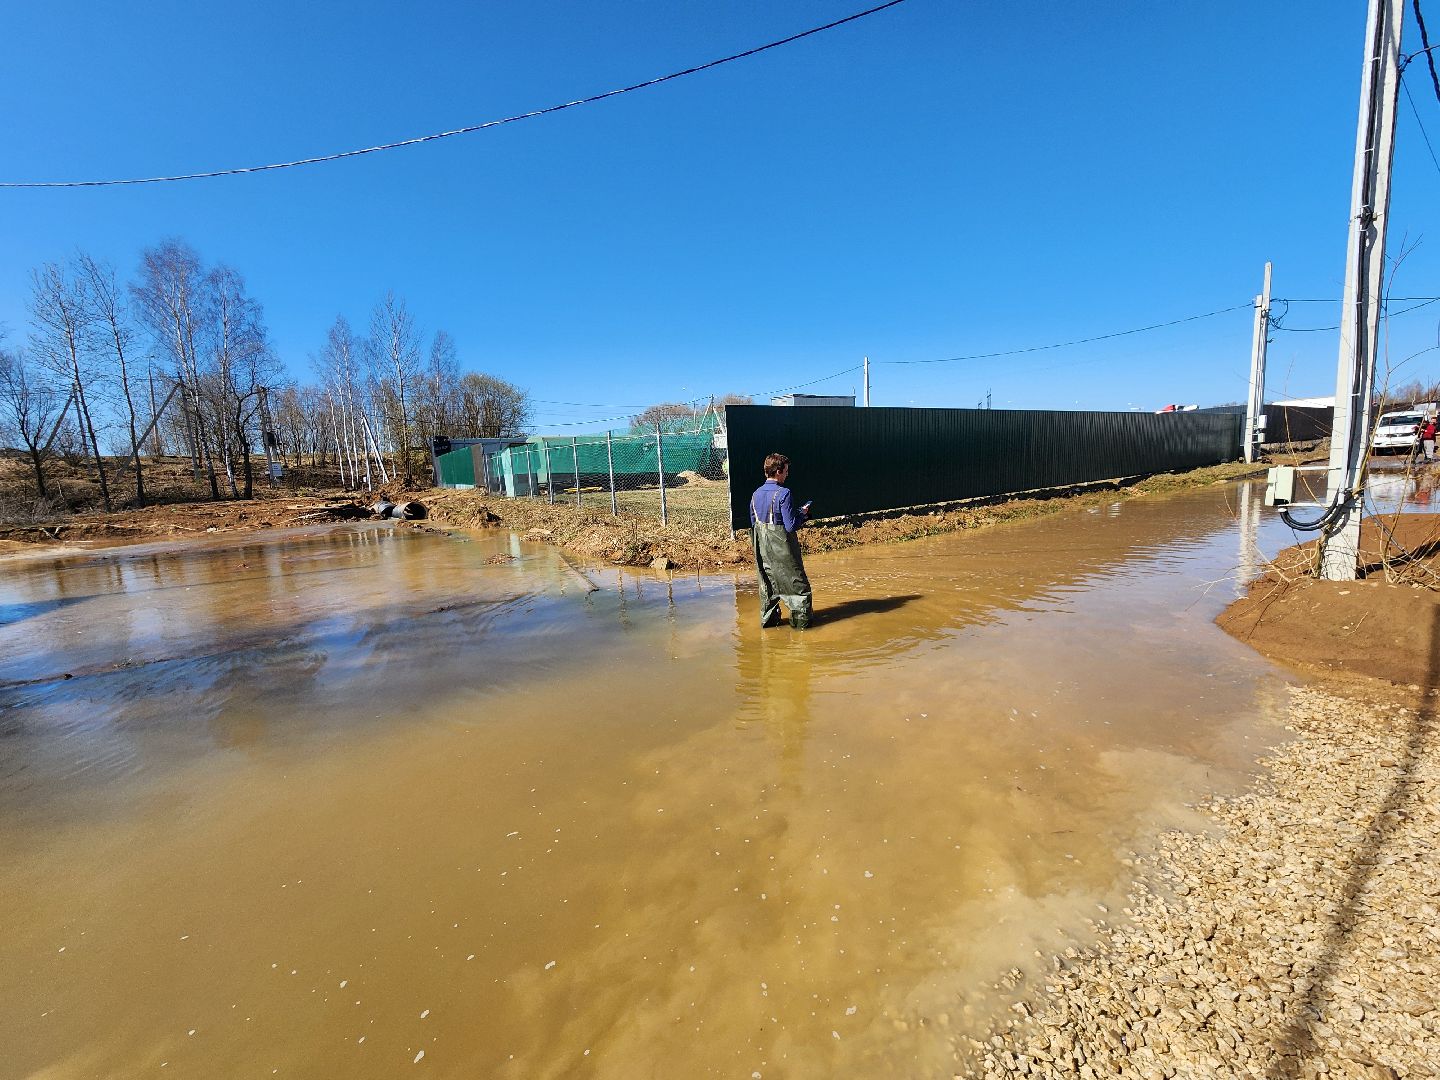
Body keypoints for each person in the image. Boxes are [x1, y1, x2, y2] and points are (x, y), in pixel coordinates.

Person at [749, 452, 813, 630]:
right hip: (784, 553)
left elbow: (755, 524)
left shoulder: (755, 494)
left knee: (768, 588)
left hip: (764, 555)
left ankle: (770, 625)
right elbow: (790, 525)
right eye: (785, 471)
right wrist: (803, 515)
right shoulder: (784, 493)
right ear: (778, 471)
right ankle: (801, 629)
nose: (787, 474)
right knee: (799, 589)